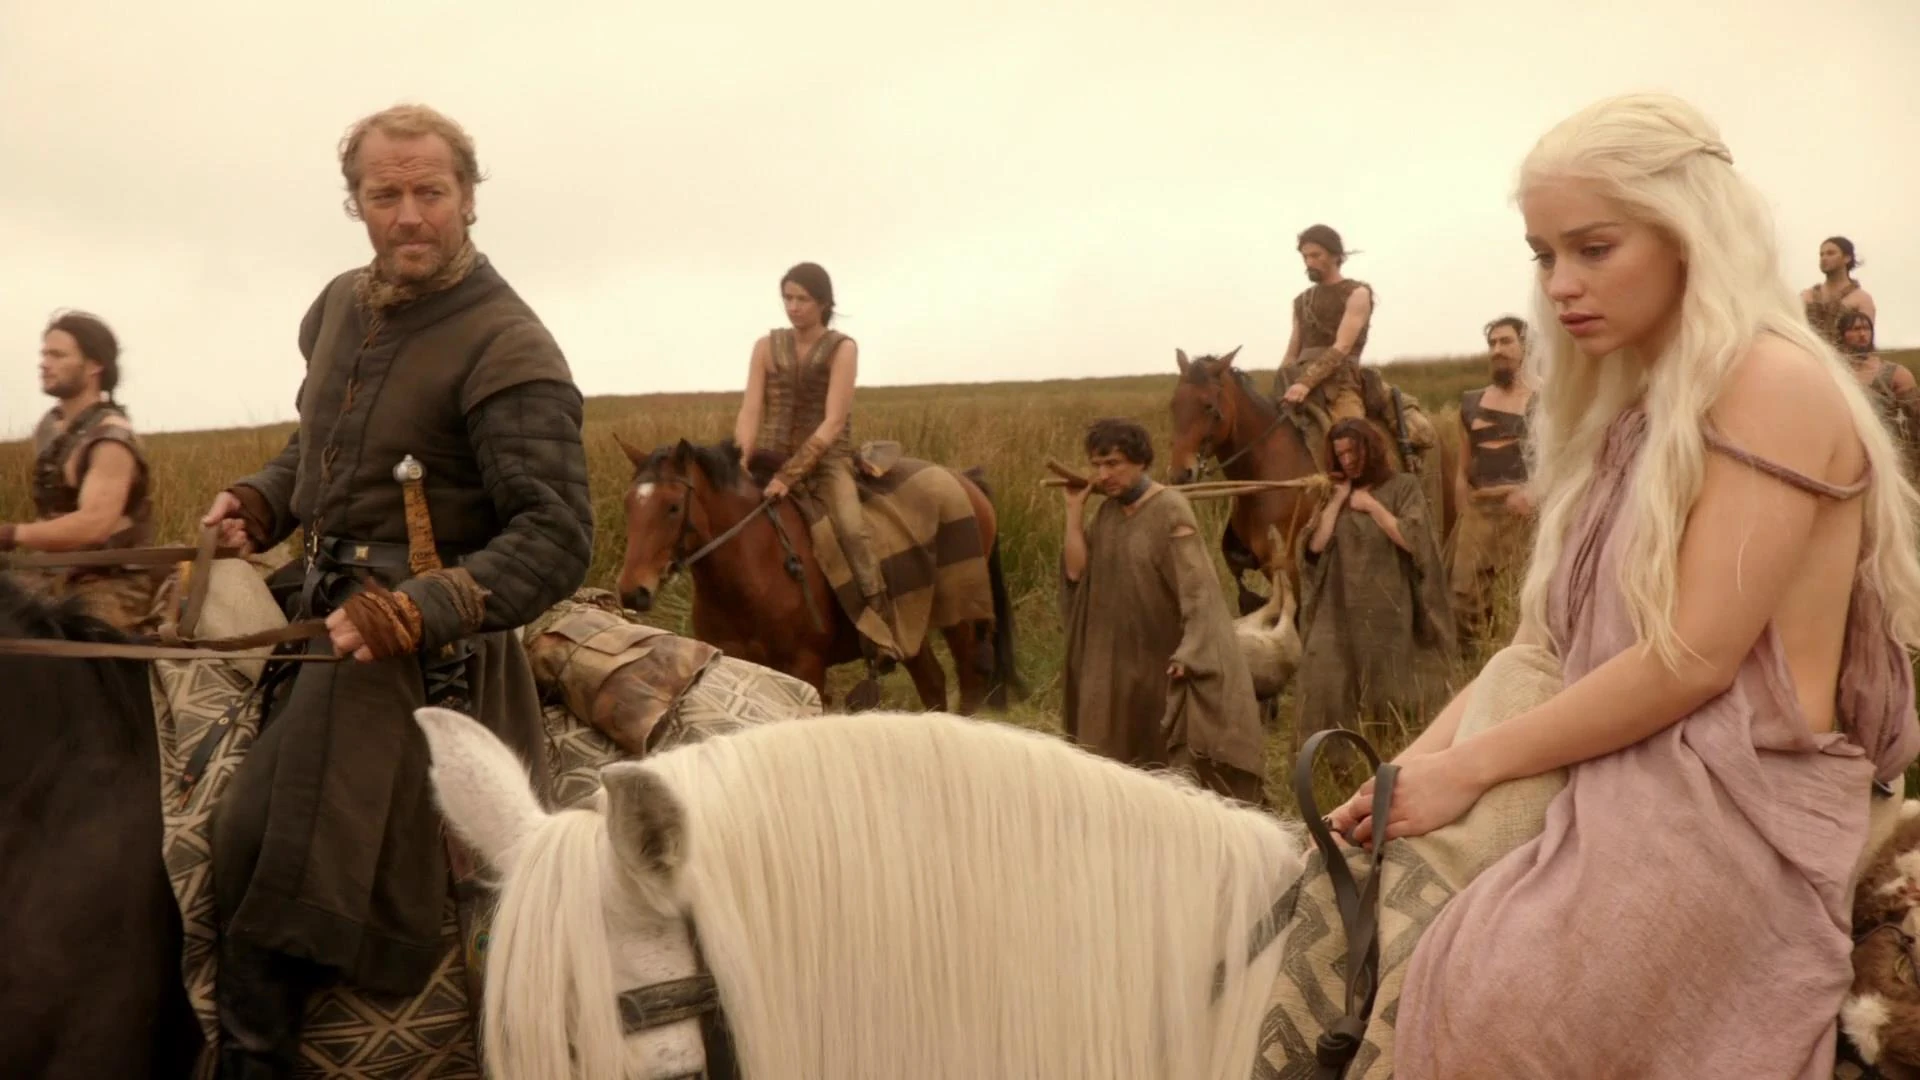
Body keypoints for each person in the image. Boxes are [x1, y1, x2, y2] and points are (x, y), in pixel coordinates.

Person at [1330, 93, 1920, 1077]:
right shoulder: (1640, 405)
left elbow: (1692, 659)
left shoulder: (1770, 383)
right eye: (1544, 255)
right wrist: (1404, 773)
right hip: (1631, 759)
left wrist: (1471, 770)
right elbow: (1545, 651)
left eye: (1594, 248)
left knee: (1501, 1008)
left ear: (1690, 234)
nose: (1560, 285)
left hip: (1733, 801)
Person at [197, 103, 593, 1078]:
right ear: (357, 202)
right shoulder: (339, 305)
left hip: (426, 640)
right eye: (385, 195)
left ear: (469, 197)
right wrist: (263, 502)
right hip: (318, 595)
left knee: (271, 832)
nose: (409, 214)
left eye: (430, 192)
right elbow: (322, 447)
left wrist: (415, 610)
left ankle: (257, 1053)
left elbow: (556, 537)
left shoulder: (508, 344)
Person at [1059, 417, 1267, 805]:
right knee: (1105, 758)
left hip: (1158, 658)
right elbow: (1076, 573)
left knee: (1159, 764)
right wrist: (1074, 512)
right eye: (1097, 465)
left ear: (1140, 461)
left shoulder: (1170, 510)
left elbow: (1199, 593)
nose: (1103, 476)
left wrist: (1192, 652)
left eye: (1113, 464)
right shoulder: (1107, 514)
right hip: (1108, 659)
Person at [732, 261, 903, 662]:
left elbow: (834, 421)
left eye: (802, 299)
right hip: (769, 454)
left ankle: (879, 628)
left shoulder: (842, 348)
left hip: (827, 460)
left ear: (824, 303)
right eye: (787, 298)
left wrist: (789, 476)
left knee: (852, 528)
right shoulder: (765, 347)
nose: (793, 307)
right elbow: (750, 410)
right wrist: (739, 461)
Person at [1291, 418, 1457, 755]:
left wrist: (1372, 507)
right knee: (1328, 678)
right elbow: (1315, 546)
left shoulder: (1403, 486)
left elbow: (1413, 541)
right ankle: (1337, 754)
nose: (1348, 461)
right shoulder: (1334, 493)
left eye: (1353, 452)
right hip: (1338, 607)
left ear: (1370, 449)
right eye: (1340, 455)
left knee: (1390, 682)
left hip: (1389, 603)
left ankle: (1394, 748)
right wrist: (1338, 501)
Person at [0, 311, 161, 631]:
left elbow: (93, 525)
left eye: (58, 355)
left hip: (110, 580)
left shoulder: (110, 439)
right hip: (51, 571)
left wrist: (12, 534)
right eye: (44, 354)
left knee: (82, 640)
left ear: (94, 366)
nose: (44, 364)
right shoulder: (51, 428)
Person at [1449, 314, 1537, 639]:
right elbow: (1463, 471)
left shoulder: (1547, 399)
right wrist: (1464, 517)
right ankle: (1475, 659)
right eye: (1492, 343)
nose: (1497, 350)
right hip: (1480, 510)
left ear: (1526, 346)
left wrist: (1534, 494)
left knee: (1519, 595)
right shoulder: (1471, 403)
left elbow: (1561, 462)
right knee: (1463, 597)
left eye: (1506, 341)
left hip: (1525, 512)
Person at [1836, 311, 1919, 473]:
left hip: (1889, 456)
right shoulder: (1835, 374)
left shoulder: (1896, 374)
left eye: (1866, 328)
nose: (1862, 334)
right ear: (1842, 335)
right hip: (1849, 454)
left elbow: (1915, 419)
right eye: (1855, 329)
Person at [1801, 235, 1875, 347]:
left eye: (1830, 253)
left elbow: (1865, 342)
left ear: (1847, 258)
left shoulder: (1861, 299)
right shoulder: (1807, 296)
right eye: (1821, 254)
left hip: (1844, 356)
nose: (1824, 258)